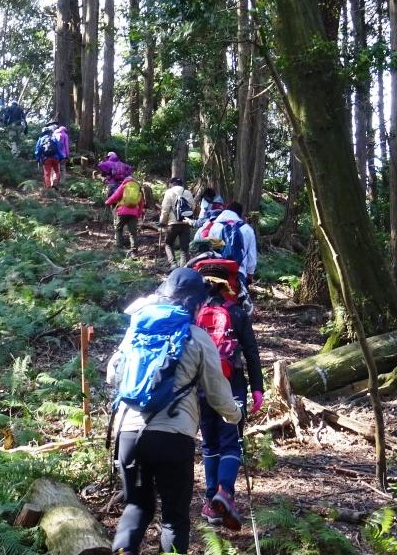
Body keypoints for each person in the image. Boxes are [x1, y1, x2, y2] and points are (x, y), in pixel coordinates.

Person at [107, 268, 243, 555]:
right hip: (173, 437)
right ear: (195, 303)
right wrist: (235, 415)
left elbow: (112, 375)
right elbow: (218, 394)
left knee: (136, 507)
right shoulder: (196, 337)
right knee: (173, 518)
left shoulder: (137, 329)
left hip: (129, 434)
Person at [195, 276, 264, 530]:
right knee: (231, 444)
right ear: (227, 287)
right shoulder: (237, 312)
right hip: (232, 384)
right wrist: (257, 388)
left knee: (210, 444)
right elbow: (251, 352)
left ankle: (210, 501)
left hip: (202, 387)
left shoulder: (196, 313)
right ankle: (224, 493)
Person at [194, 201, 258, 289]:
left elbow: (210, 249)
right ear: (239, 214)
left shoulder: (215, 226)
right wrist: (250, 274)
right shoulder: (247, 229)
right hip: (238, 272)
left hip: (216, 271)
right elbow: (251, 256)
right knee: (236, 298)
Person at [158, 177, 195, 270]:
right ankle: (183, 268)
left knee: (168, 244)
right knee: (184, 247)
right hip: (186, 222)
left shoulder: (169, 193)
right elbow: (193, 207)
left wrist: (162, 222)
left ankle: (173, 264)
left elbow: (165, 209)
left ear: (172, 184)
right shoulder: (187, 192)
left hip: (173, 223)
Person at [105, 174, 145, 256]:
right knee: (133, 232)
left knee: (118, 229)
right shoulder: (138, 189)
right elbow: (141, 204)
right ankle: (134, 251)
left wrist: (107, 202)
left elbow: (115, 196)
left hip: (122, 212)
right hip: (134, 213)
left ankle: (119, 247)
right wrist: (138, 214)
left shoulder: (124, 186)